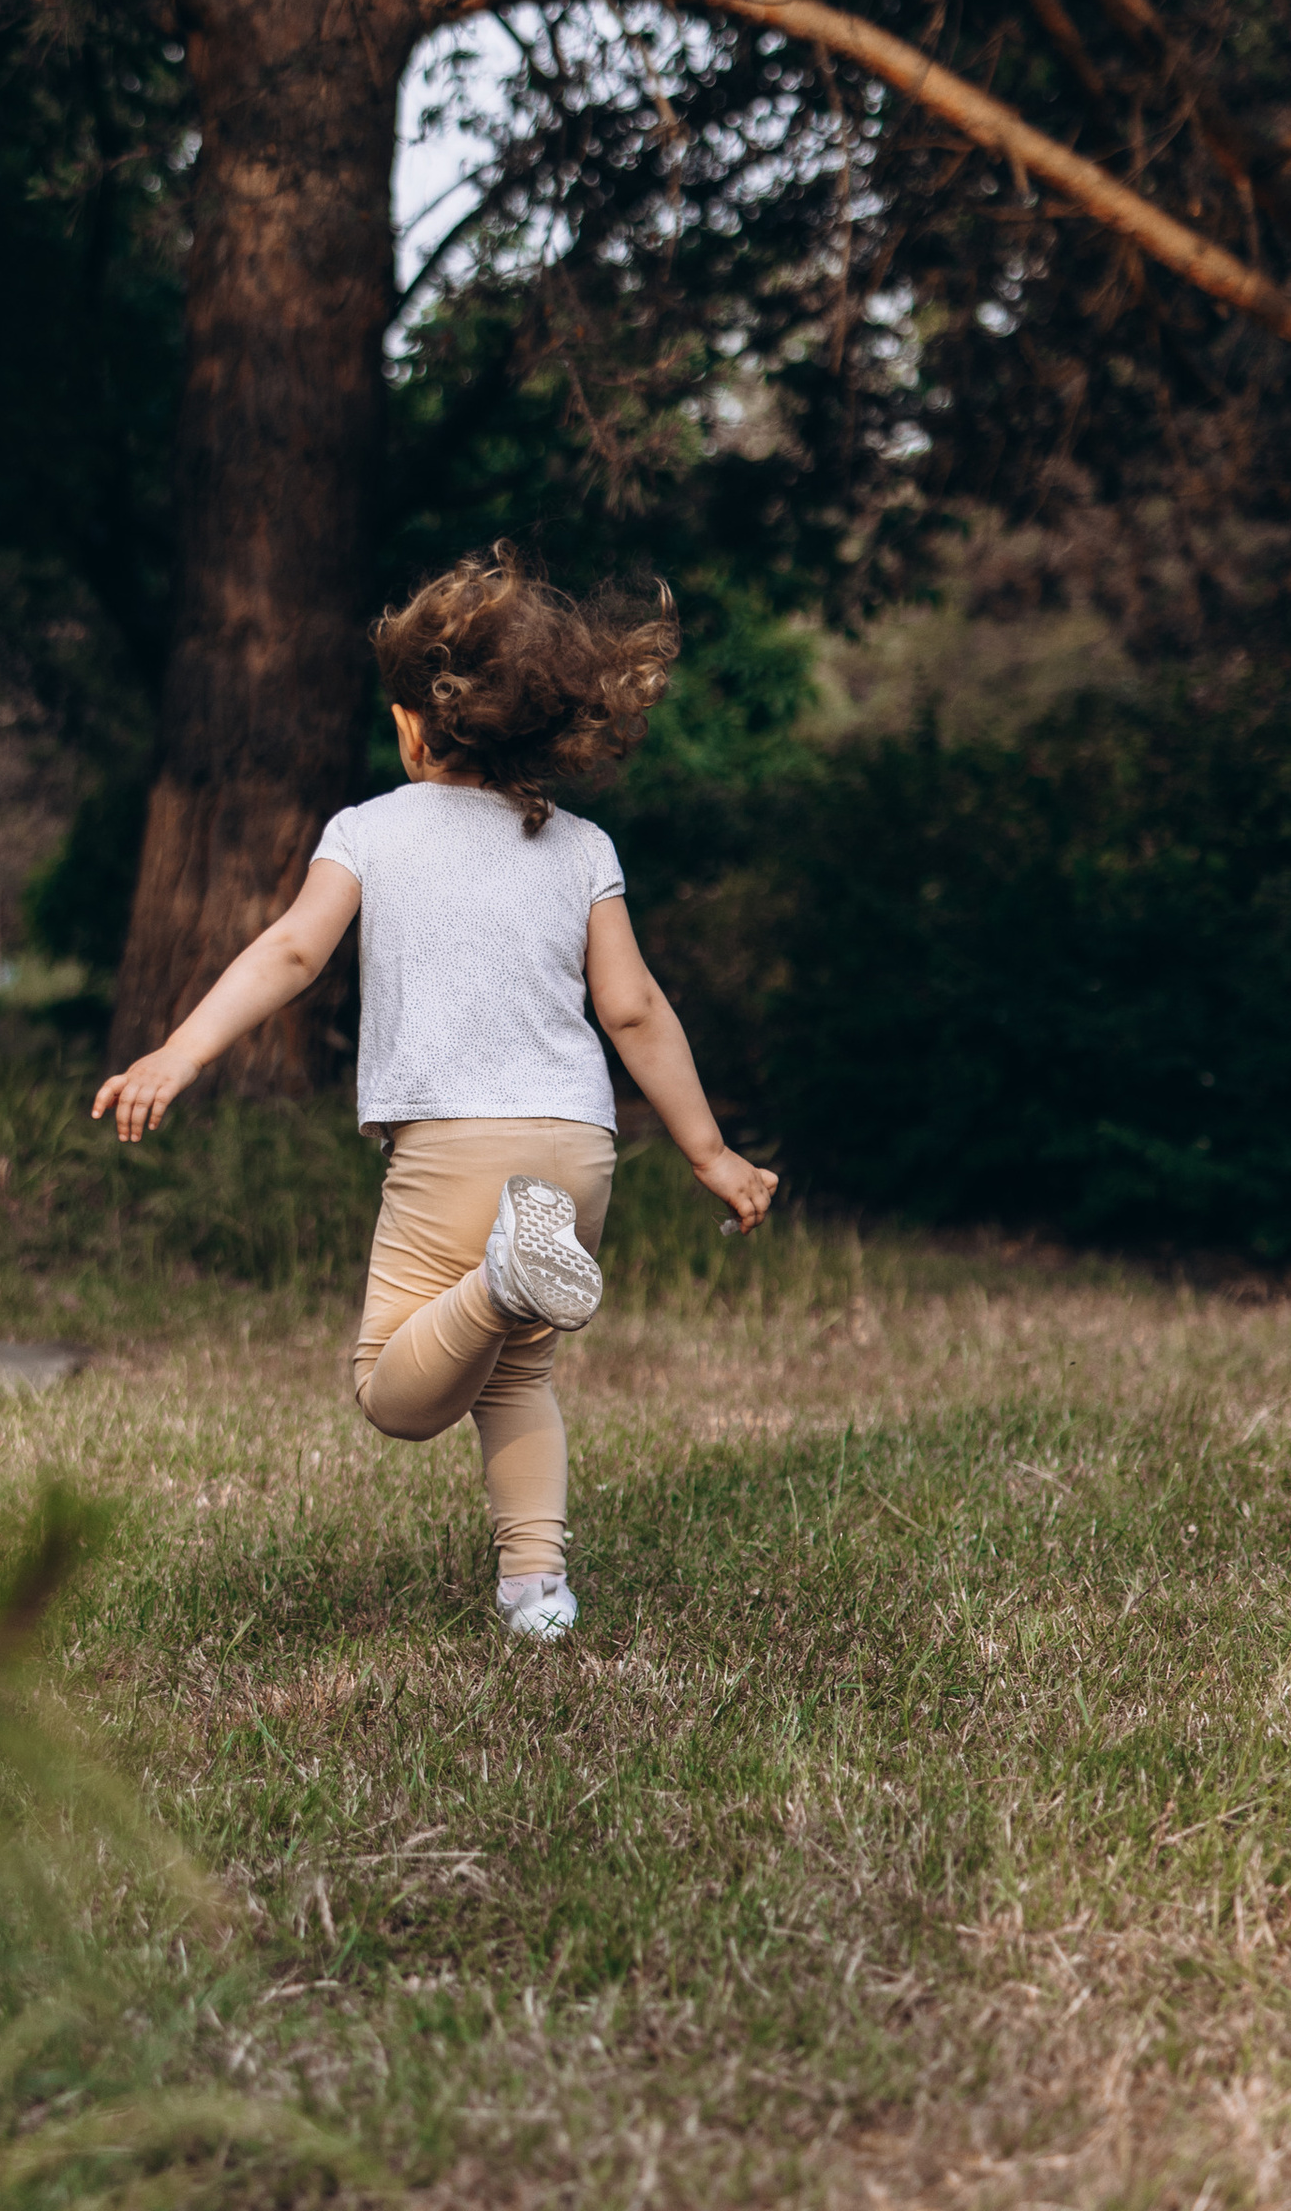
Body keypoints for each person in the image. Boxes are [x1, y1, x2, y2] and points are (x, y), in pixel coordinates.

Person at [94, 552, 779, 1640]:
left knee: (392, 1393)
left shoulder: (369, 830)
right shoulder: (580, 846)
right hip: (575, 1146)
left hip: (453, 1147)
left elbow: (287, 955)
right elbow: (636, 1009)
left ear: (418, 721)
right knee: (516, 1380)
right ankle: (535, 1590)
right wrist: (709, 1152)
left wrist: (177, 1053)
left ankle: (509, 1277)